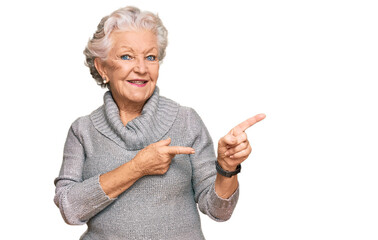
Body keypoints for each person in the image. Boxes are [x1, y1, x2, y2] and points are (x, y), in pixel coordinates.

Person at [54, 6, 265, 240]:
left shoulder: (186, 121)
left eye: (151, 57)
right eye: (127, 56)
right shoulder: (83, 130)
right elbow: (70, 209)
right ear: (102, 67)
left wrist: (226, 168)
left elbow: (218, 211)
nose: (142, 68)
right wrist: (137, 168)